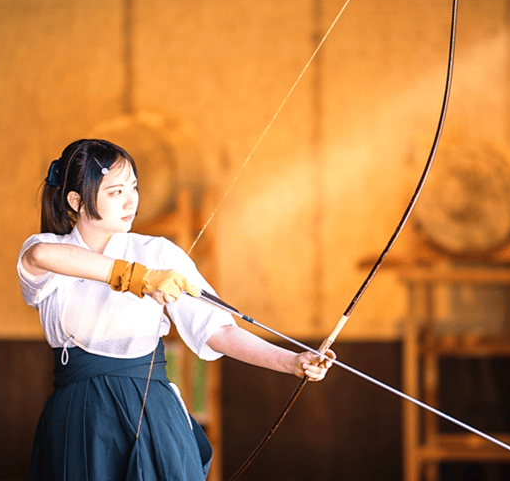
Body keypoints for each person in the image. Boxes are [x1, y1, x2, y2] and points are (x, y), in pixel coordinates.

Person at [18, 138, 335, 481]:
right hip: (80, 414)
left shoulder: (158, 253)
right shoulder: (48, 248)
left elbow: (218, 330)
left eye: (134, 187)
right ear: (76, 200)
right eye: (115, 192)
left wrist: (290, 361)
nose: (131, 200)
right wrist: (139, 277)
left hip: (150, 410)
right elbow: (40, 258)